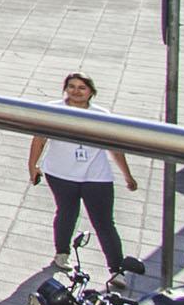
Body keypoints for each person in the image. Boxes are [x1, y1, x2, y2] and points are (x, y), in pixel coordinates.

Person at [27, 71, 141, 274]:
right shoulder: (53, 110)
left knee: (104, 222)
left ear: (91, 92)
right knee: (66, 213)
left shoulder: (101, 115)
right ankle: (62, 253)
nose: (76, 91)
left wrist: (127, 175)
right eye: (71, 86)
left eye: (82, 88)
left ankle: (116, 269)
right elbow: (39, 139)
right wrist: (32, 166)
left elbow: (114, 148)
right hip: (61, 174)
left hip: (96, 176)